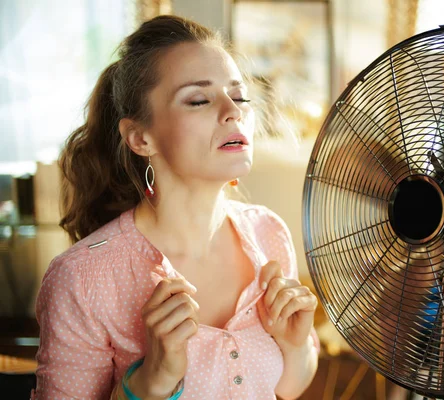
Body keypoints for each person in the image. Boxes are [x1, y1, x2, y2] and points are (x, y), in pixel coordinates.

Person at [33, 15, 320, 400]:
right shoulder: (81, 279)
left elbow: (289, 386)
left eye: (239, 97)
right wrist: (153, 377)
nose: (232, 111)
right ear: (140, 137)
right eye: (199, 100)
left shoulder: (269, 233)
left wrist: (295, 344)